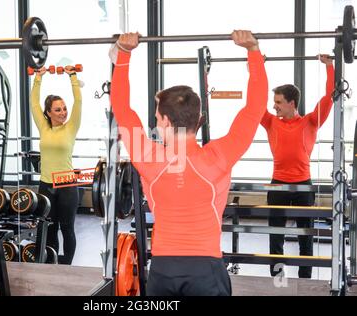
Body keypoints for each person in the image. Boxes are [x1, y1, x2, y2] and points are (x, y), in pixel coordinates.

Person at [110, 31, 268, 296]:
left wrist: (123, 56)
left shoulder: (149, 158)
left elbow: (122, 109)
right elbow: (254, 110)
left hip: (163, 271)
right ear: (199, 118)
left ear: (166, 122)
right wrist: (253, 51)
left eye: (158, 118)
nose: (157, 124)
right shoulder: (219, 157)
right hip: (206, 271)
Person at [261, 55, 334, 278]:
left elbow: (329, 97)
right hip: (277, 184)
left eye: (279, 102)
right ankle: (278, 283)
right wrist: (257, 65)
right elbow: (254, 102)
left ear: (292, 103)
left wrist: (330, 67)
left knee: (306, 237)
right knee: (276, 237)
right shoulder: (271, 122)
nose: (274, 107)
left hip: (303, 185)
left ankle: (304, 284)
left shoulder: (310, 121)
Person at [30, 65, 82, 264]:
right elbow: (34, 103)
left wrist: (73, 77)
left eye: (64, 108)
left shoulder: (71, 127)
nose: (63, 112)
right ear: (49, 113)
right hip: (46, 185)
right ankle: (52, 265)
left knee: (67, 228)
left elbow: (78, 101)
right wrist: (38, 78)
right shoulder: (44, 127)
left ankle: (67, 266)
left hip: (67, 185)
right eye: (58, 110)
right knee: (49, 228)